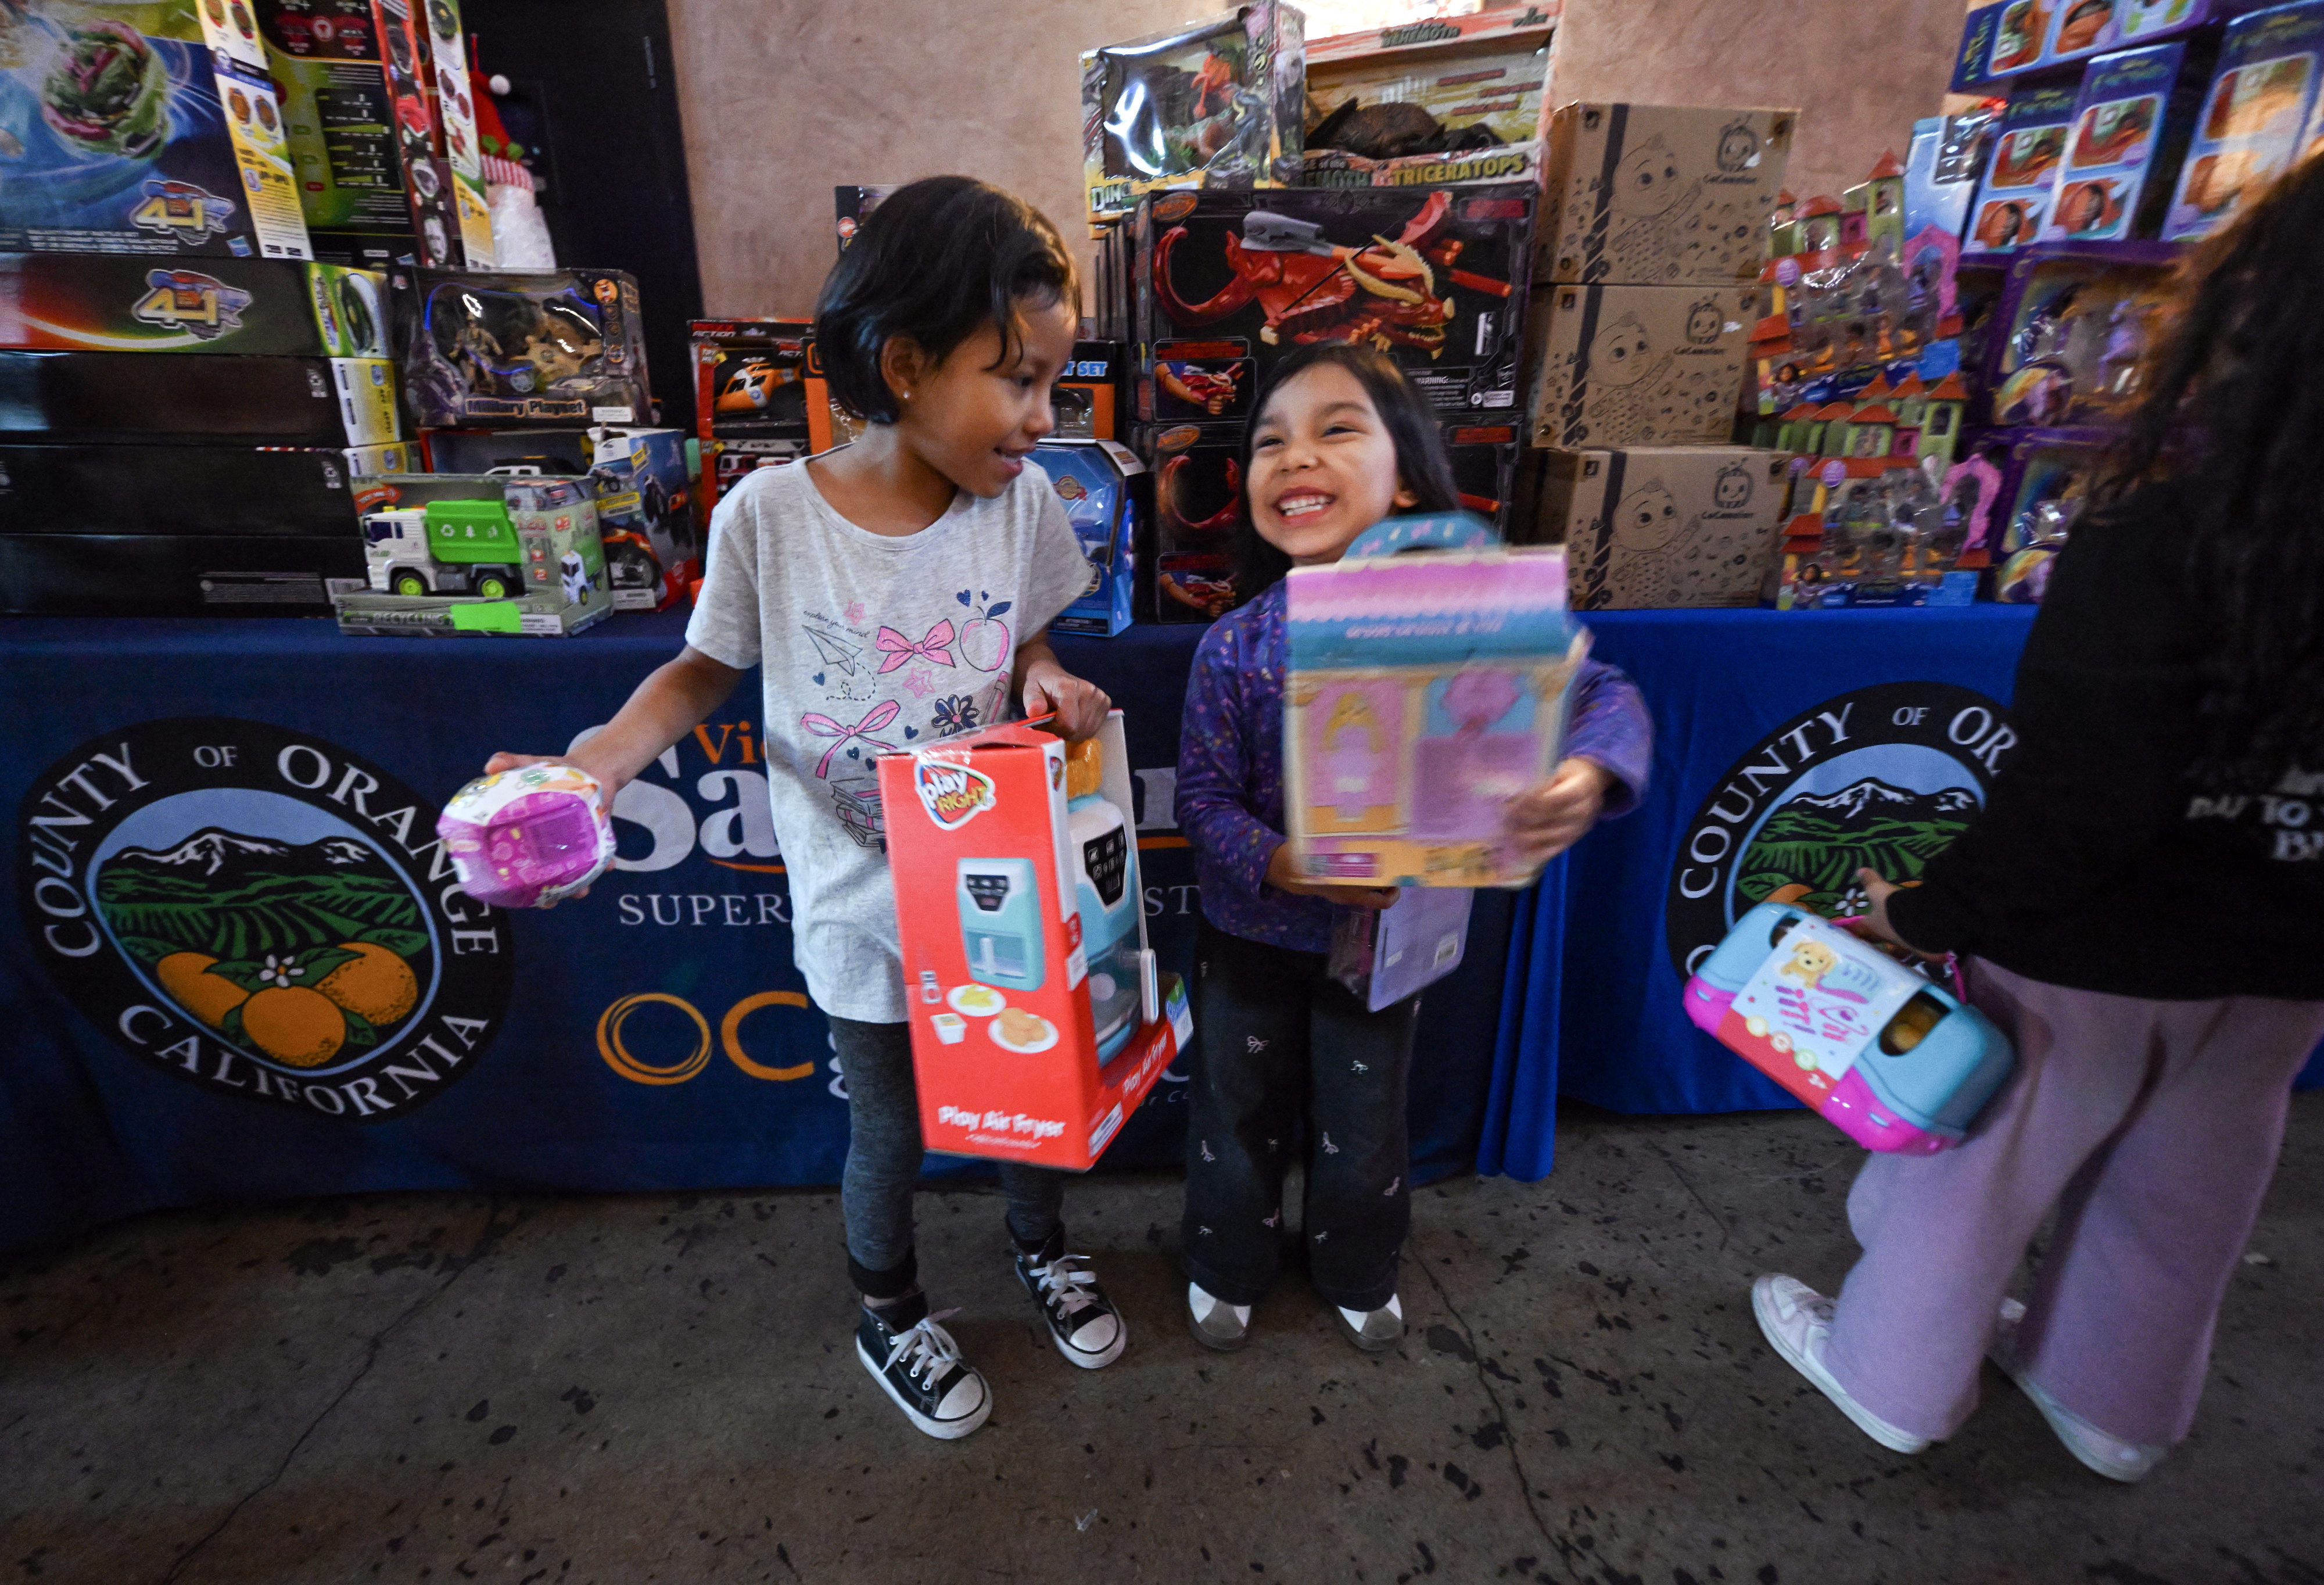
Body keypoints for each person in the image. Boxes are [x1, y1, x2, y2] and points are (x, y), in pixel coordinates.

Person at [485, 177, 1121, 1441]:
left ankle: (1038, 1242)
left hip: (999, 886)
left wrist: (1051, 683)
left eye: (1054, 381)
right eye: (1015, 379)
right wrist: (606, 756)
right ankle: (887, 1305)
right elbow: (700, 670)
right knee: (886, 1124)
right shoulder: (766, 517)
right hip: (859, 906)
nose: (1043, 418)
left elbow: (1032, 642)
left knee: (1029, 1091)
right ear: (903, 363)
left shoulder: (1027, 503)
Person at [1752, 155, 2324, 1482]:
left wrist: (1925, 907)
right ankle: (2114, 1401)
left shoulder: (2162, 542)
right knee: (2188, 1194)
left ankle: (1888, 1372)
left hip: (2090, 959)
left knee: (1977, 1173)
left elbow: (2076, 800)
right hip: (2286, 968)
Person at [1173, 344, 1651, 1352]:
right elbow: (1204, 802)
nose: (1295, 456)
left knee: (1365, 1127)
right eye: (1269, 442)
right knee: (1233, 1116)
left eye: (1337, 429)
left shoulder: (1469, 618)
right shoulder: (1236, 643)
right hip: (1249, 939)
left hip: (1389, 948)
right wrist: (1276, 859)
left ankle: (1358, 1263)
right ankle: (1227, 1260)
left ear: (1407, 480)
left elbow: (1601, 692)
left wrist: (1588, 773)